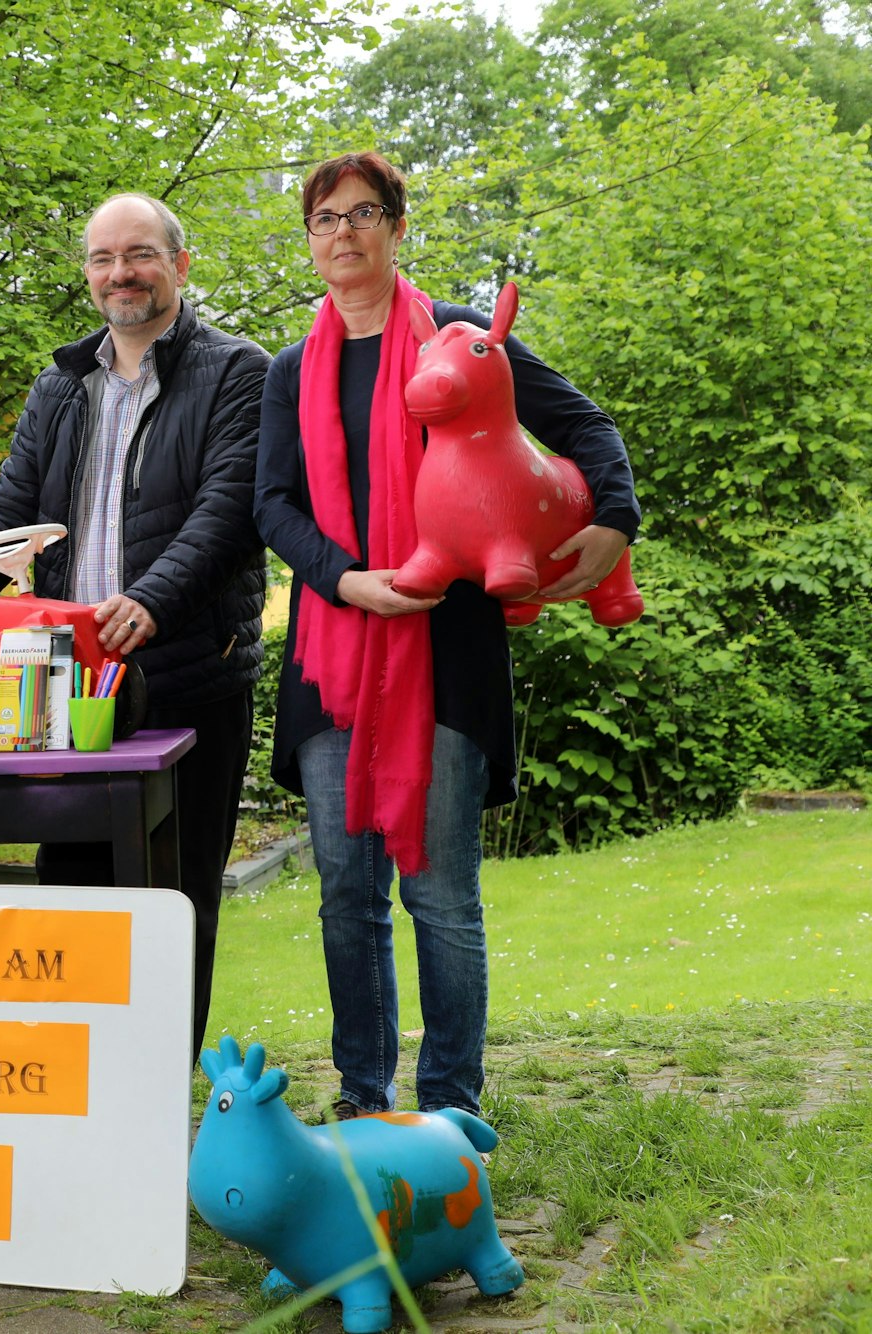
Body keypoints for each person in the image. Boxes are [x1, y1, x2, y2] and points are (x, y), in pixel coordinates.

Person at [252, 151, 639, 1120]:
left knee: (440, 897)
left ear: (395, 227)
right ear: (310, 240)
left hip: (446, 649)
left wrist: (613, 522)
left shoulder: (461, 338)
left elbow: (584, 426)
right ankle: (365, 1101)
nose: (343, 232)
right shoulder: (290, 371)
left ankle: (451, 1110)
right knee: (346, 897)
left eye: (363, 213)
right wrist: (347, 579)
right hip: (334, 657)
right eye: (324, 218)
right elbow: (271, 503)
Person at [0, 193, 271, 1059]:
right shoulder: (61, 385)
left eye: (140, 254)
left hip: (188, 676)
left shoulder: (240, 371)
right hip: (65, 683)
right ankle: (79, 1089)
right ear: (87, 273)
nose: (121, 273)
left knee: (175, 898)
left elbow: (229, 509)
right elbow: (7, 513)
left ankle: (156, 1095)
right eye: (102, 258)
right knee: (73, 891)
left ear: (180, 264)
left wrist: (152, 599)